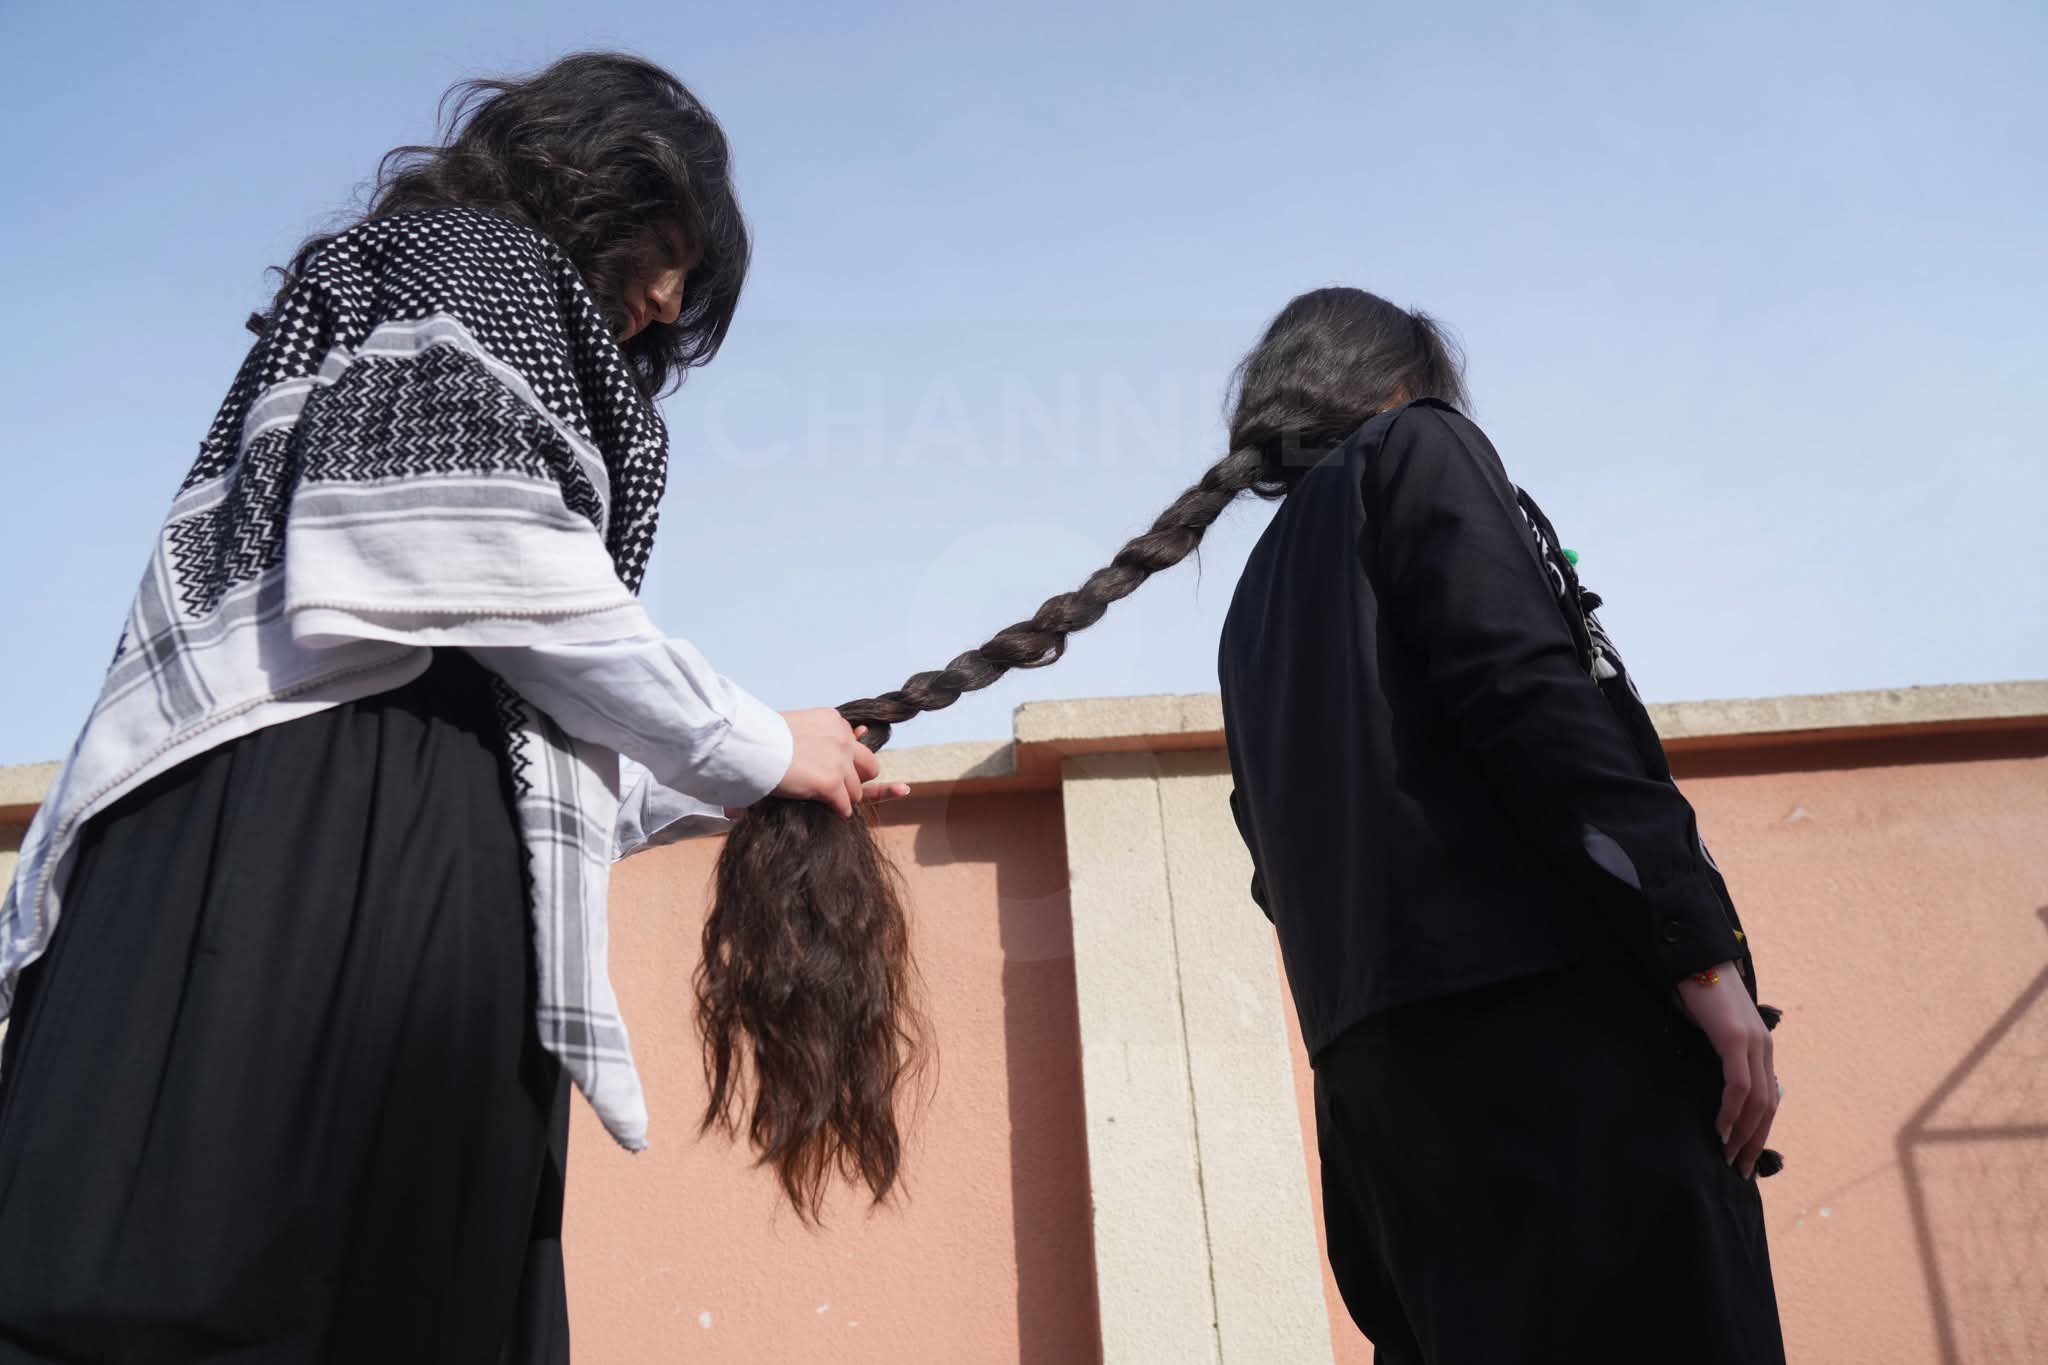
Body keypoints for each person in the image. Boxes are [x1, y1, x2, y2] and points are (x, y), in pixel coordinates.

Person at [0, 52, 902, 1363]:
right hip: (317, 847)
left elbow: (524, 705)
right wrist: (750, 739)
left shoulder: (440, 303)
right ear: (590, 183)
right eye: (664, 251)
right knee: (246, 1288)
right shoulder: (465, 255)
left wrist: (762, 765)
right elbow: (477, 549)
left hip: (349, 839)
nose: (664, 301)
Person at [750, 288, 1786, 1362]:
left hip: (1378, 1106)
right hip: (1561, 1063)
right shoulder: (1419, 449)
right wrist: (1700, 955)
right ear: (1397, 386)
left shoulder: (1255, 604)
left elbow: (1273, 860)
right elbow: (1537, 703)